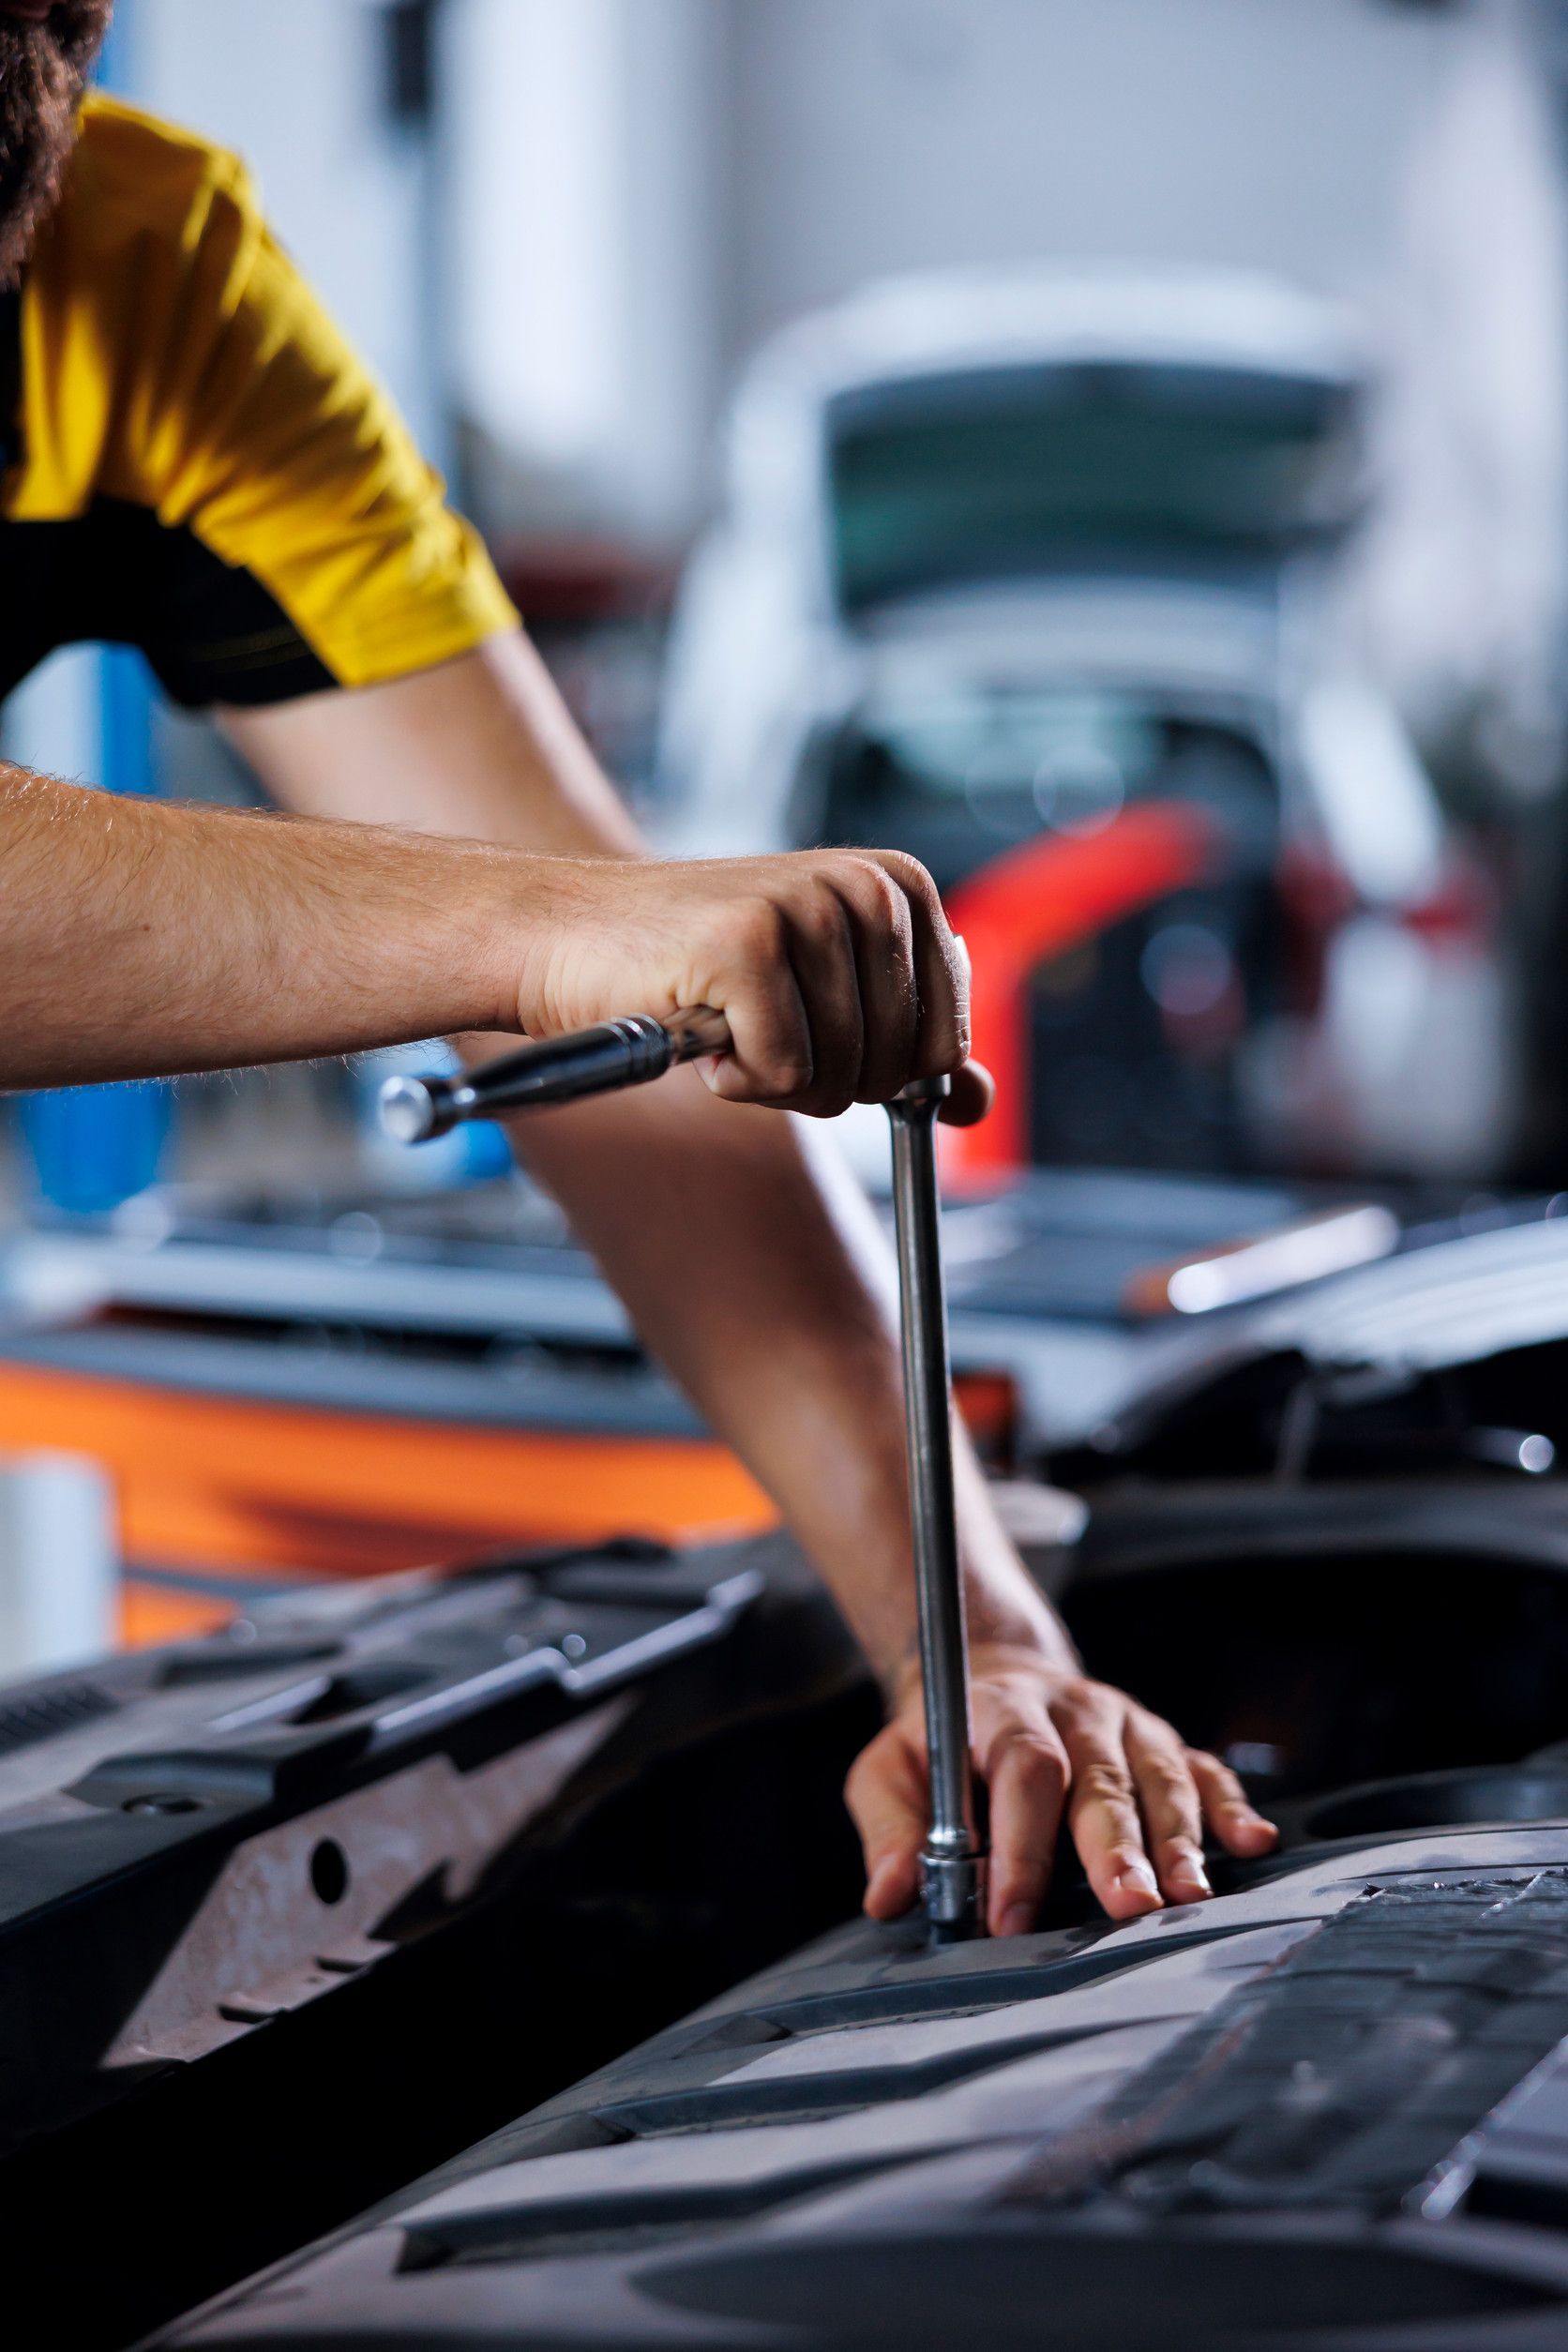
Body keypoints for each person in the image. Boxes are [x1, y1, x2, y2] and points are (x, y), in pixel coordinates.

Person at [0, 1, 1277, 1934]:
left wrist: (971, 1644)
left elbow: (648, 1053)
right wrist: (540, 929)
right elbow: (570, 927)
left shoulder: (148, 278)